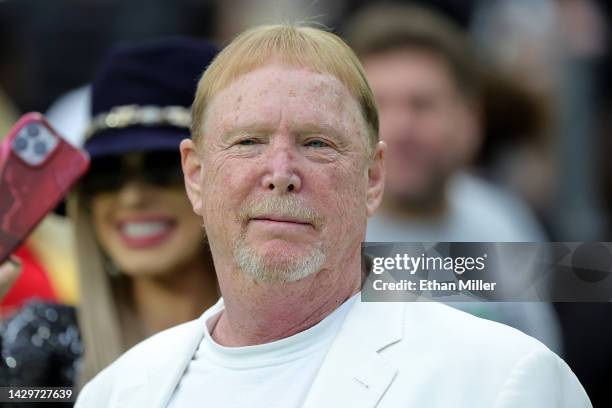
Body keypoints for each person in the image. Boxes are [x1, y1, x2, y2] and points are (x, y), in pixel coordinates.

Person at [75, 24, 591, 407]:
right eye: (248, 141)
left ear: (372, 176)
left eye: (317, 143)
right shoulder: (116, 391)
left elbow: (577, 286)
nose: (280, 171)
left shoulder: (502, 372)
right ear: (196, 175)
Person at [0, 37, 219, 391]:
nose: (132, 197)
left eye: (163, 168)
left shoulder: (296, 344)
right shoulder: (36, 351)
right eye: (107, 175)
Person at [342, 3, 562, 353]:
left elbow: (543, 364)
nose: (402, 127)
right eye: (380, 105)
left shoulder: (504, 222)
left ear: (470, 120)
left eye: (422, 104)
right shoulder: (324, 233)